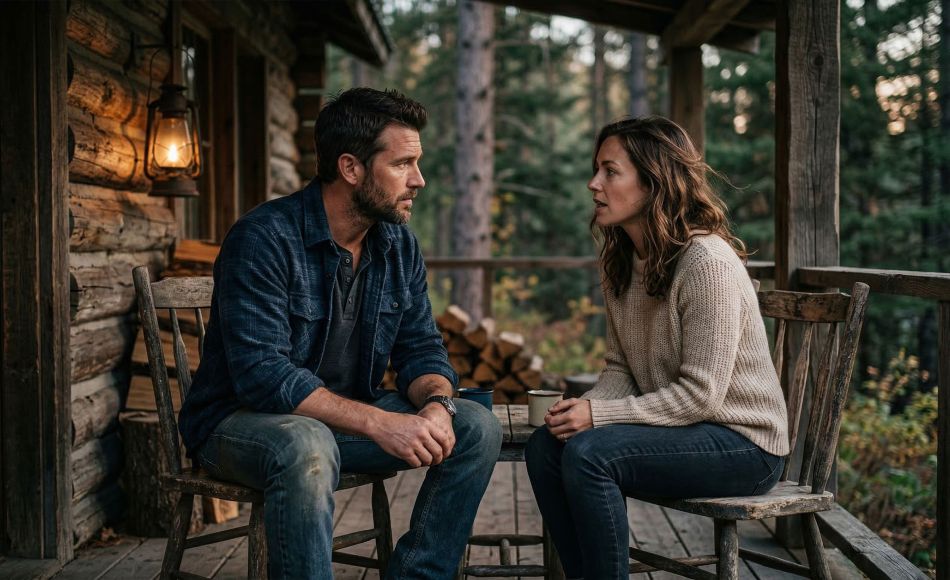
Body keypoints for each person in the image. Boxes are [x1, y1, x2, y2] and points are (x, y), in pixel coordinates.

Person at [178, 87, 502, 580]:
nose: (419, 179)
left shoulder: (398, 246)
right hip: (239, 425)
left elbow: (420, 348)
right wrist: (378, 423)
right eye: (403, 164)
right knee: (306, 444)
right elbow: (262, 375)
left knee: (476, 426)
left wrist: (439, 404)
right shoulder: (263, 238)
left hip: (342, 422)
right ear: (350, 168)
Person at [524, 116, 789, 580]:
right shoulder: (622, 262)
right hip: (685, 429)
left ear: (653, 183)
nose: (593, 184)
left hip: (745, 443)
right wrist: (580, 412)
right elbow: (620, 368)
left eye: (610, 171)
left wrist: (598, 417)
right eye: (596, 170)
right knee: (547, 446)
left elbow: (701, 396)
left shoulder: (706, 263)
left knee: (591, 454)